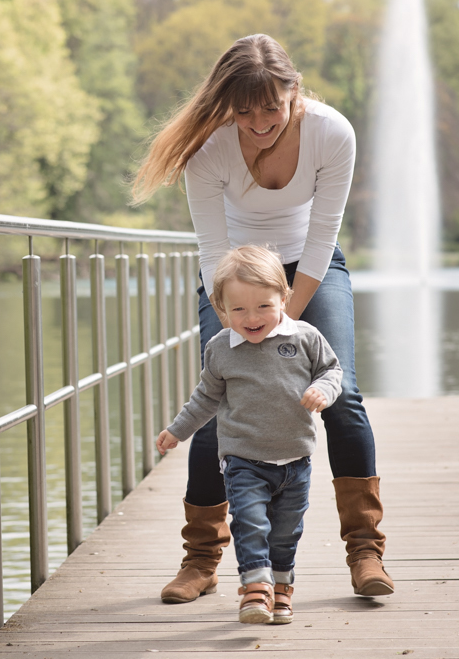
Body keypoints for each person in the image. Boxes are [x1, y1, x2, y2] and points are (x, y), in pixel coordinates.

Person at [133, 33, 395, 601]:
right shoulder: (208, 148)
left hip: (310, 268)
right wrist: (242, 321)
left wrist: (283, 325)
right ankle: (201, 558)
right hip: (233, 275)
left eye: (270, 108)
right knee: (221, 396)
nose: (258, 125)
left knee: (342, 393)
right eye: (243, 113)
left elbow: (322, 239)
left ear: (293, 90)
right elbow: (212, 250)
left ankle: (365, 551)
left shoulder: (332, 133)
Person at [156, 246, 344, 624]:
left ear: (283, 298)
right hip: (243, 458)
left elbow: (332, 371)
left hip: (295, 458)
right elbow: (205, 398)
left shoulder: (305, 337)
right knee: (250, 522)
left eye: (263, 306)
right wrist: (178, 430)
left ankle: (281, 588)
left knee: (286, 532)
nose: (252, 318)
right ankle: (255, 587)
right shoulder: (221, 348)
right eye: (239, 309)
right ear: (221, 309)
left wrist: (323, 390)